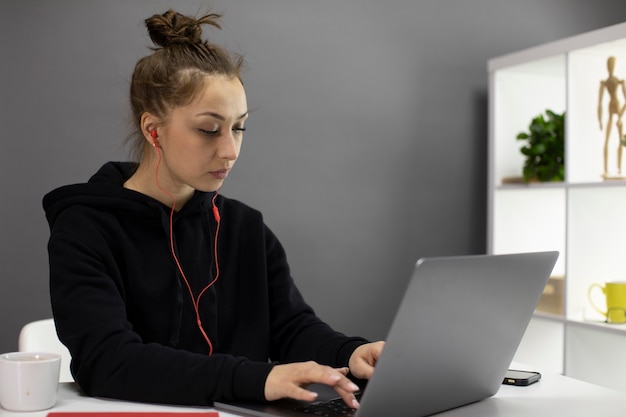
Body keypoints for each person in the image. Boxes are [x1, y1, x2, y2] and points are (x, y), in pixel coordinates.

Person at [42, 9, 384, 409]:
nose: (230, 150)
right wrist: (260, 378)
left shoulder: (245, 227)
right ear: (153, 130)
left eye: (239, 127)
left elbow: (291, 328)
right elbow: (108, 361)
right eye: (209, 129)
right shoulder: (85, 228)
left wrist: (349, 354)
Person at [598, 55, 626, 179]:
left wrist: (621, 117)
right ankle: (606, 169)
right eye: (609, 65)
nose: (610, 67)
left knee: (621, 140)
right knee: (607, 140)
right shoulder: (604, 83)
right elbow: (599, 103)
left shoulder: (620, 81)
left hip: (618, 109)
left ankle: (620, 168)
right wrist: (599, 119)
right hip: (610, 109)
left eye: (612, 65)